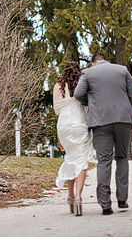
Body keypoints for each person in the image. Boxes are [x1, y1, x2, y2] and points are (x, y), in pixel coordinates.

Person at [74, 52, 132, 215]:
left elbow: (78, 94)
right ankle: (123, 199)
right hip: (123, 119)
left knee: (104, 161)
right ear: (105, 60)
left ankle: (105, 204)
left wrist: (91, 102)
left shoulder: (88, 73)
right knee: (122, 157)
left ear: (93, 64)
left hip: (100, 120)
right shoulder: (123, 71)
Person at [53, 61, 95, 216]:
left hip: (63, 123)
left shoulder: (57, 86)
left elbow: (57, 110)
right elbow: (87, 105)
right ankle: (78, 196)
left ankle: (69, 195)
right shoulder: (82, 83)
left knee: (70, 158)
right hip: (79, 121)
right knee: (82, 161)